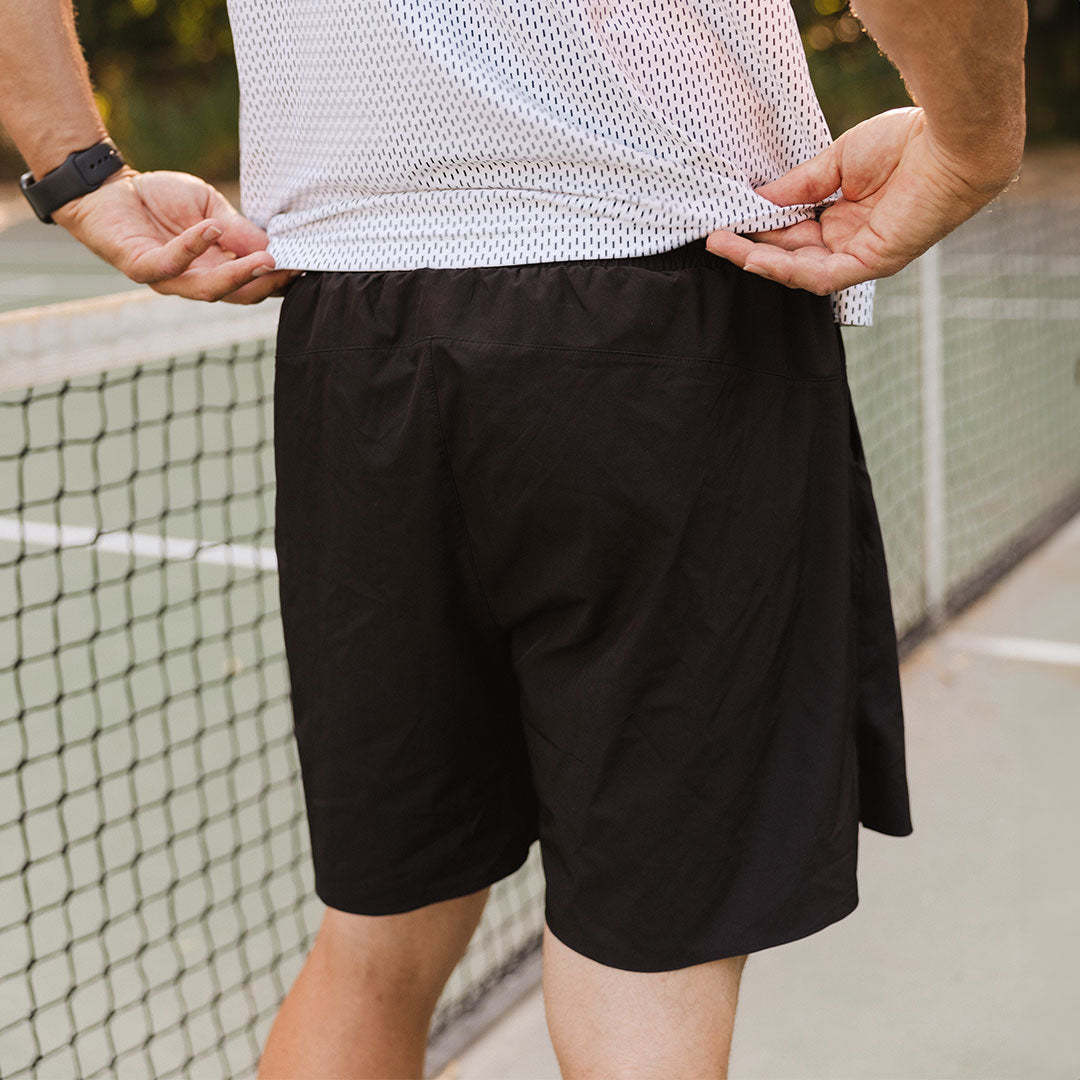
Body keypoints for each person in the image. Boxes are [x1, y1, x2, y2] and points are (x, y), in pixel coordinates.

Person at [0, 1, 1026, 1077]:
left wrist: (78, 175)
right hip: (671, 313)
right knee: (649, 961)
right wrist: (974, 144)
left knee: (373, 949)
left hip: (357, 347)